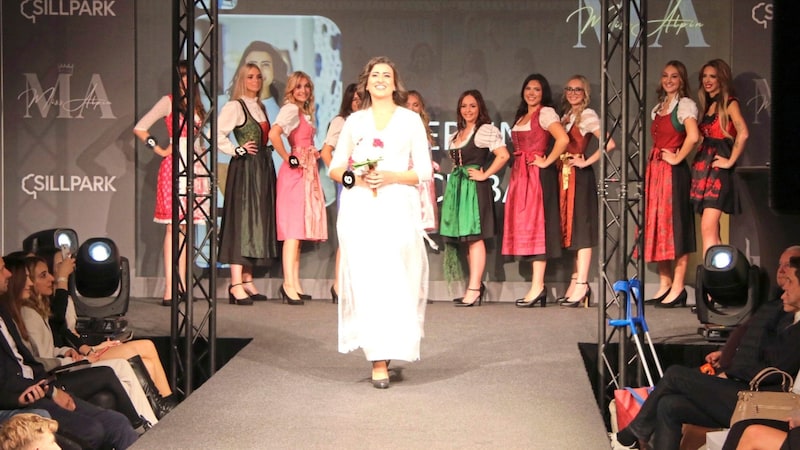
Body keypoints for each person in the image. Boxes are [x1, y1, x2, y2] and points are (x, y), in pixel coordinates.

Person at [611, 256, 800, 450]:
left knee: (675, 375)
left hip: (763, 400)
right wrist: (727, 358)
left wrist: (732, 372)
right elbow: (748, 341)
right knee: (670, 405)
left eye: (791, 282)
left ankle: (631, 435)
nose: (785, 287)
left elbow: (777, 366)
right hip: (743, 387)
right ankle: (633, 435)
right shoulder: (783, 316)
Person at [328, 56, 432, 389]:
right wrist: (355, 181)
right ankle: (377, 358)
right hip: (359, 207)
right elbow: (335, 169)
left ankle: (389, 347)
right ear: (367, 82)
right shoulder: (355, 121)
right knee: (367, 280)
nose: (381, 80)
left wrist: (390, 176)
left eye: (387, 74)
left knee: (394, 279)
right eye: (376, 75)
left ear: (395, 82)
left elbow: (425, 171)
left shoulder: (410, 120)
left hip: (397, 206)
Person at [0, 255, 138, 449]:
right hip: (27, 395)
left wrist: (53, 386)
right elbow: (15, 375)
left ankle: (150, 433)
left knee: (118, 423)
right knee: (93, 429)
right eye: (2, 270)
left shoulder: (5, 313)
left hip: (42, 386)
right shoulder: (25, 314)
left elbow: (33, 360)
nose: (7, 274)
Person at [19, 255, 158, 425]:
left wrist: (67, 351)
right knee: (122, 363)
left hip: (67, 361)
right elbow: (42, 359)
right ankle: (146, 424)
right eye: (44, 275)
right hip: (58, 373)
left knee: (135, 361)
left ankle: (151, 419)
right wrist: (76, 356)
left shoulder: (41, 309)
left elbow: (56, 341)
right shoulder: (31, 314)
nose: (52, 278)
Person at [43, 250, 177, 419]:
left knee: (147, 364)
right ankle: (169, 406)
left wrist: (93, 347)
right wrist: (62, 279)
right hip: (72, 360)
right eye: (59, 264)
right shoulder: (51, 300)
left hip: (82, 350)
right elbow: (59, 324)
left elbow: (69, 333)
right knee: (146, 346)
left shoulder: (63, 296)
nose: (65, 265)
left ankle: (162, 410)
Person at [133, 60, 209, 306]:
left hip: (197, 166)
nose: (186, 81)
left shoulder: (198, 104)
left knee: (186, 230)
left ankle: (183, 285)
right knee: (172, 228)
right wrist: (160, 150)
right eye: (182, 76)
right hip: (175, 166)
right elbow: (140, 128)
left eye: (190, 76)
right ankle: (169, 288)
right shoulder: (168, 101)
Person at [502, 74, 569, 308]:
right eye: (528, 88)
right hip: (521, 175)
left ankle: (538, 286)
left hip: (537, 177)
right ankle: (536, 286)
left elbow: (562, 139)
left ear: (544, 94)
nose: (531, 93)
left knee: (538, 225)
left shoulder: (546, 113)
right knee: (526, 226)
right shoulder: (522, 116)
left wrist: (547, 161)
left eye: (537, 90)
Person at [439, 89, 509, 307]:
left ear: (480, 108)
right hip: (459, 187)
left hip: (474, 188)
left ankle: (474, 288)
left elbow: (503, 155)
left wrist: (485, 174)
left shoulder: (485, 130)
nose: (468, 110)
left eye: (472, 106)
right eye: (464, 106)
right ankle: (475, 285)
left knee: (475, 236)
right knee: (466, 239)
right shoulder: (457, 134)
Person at [217, 62, 279, 305]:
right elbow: (217, 134)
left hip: (262, 168)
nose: (256, 81)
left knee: (256, 222)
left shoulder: (260, 105)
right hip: (245, 169)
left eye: (259, 77)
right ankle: (235, 284)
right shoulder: (235, 105)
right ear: (242, 79)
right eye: (251, 77)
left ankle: (247, 278)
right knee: (241, 222)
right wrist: (236, 149)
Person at [643, 61, 700, 308]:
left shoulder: (684, 105)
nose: (668, 80)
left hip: (673, 173)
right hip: (656, 171)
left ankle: (678, 287)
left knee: (676, 227)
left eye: (674, 76)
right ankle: (665, 284)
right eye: (665, 75)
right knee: (657, 226)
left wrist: (677, 157)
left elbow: (694, 136)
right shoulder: (658, 108)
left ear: (682, 80)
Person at [269, 71, 328, 305]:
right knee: (293, 231)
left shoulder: (304, 112)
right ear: (291, 91)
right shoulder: (291, 109)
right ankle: (288, 284)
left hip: (306, 172)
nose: (303, 91)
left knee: (299, 231)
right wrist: (288, 156)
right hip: (294, 174)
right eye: (298, 87)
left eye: (306, 87)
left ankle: (295, 283)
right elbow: (274, 134)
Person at [557, 75, 616, 307]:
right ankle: (576, 280)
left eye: (578, 90)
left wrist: (585, 162)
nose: (573, 93)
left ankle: (582, 284)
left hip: (579, 179)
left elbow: (609, 144)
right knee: (571, 231)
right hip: (565, 177)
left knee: (581, 230)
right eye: (569, 89)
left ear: (585, 93)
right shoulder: (567, 116)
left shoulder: (587, 115)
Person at [689, 59, 749, 257]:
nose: (707, 80)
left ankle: (710, 281)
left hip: (718, 172)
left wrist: (730, 161)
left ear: (721, 79)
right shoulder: (708, 104)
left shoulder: (729, 103)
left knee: (708, 227)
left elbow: (743, 132)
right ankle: (718, 282)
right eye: (705, 76)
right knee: (712, 230)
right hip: (703, 171)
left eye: (712, 76)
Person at [320, 83, 361, 304]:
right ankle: (339, 285)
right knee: (347, 236)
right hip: (349, 184)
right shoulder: (341, 121)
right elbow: (326, 151)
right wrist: (341, 174)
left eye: (361, 98)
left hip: (367, 184)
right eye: (354, 98)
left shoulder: (368, 121)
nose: (358, 101)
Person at [405, 90, 440, 235]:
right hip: (408, 180)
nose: (412, 109)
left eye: (415, 105)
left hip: (424, 183)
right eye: (407, 105)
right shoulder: (398, 128)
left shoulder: (423, 129)